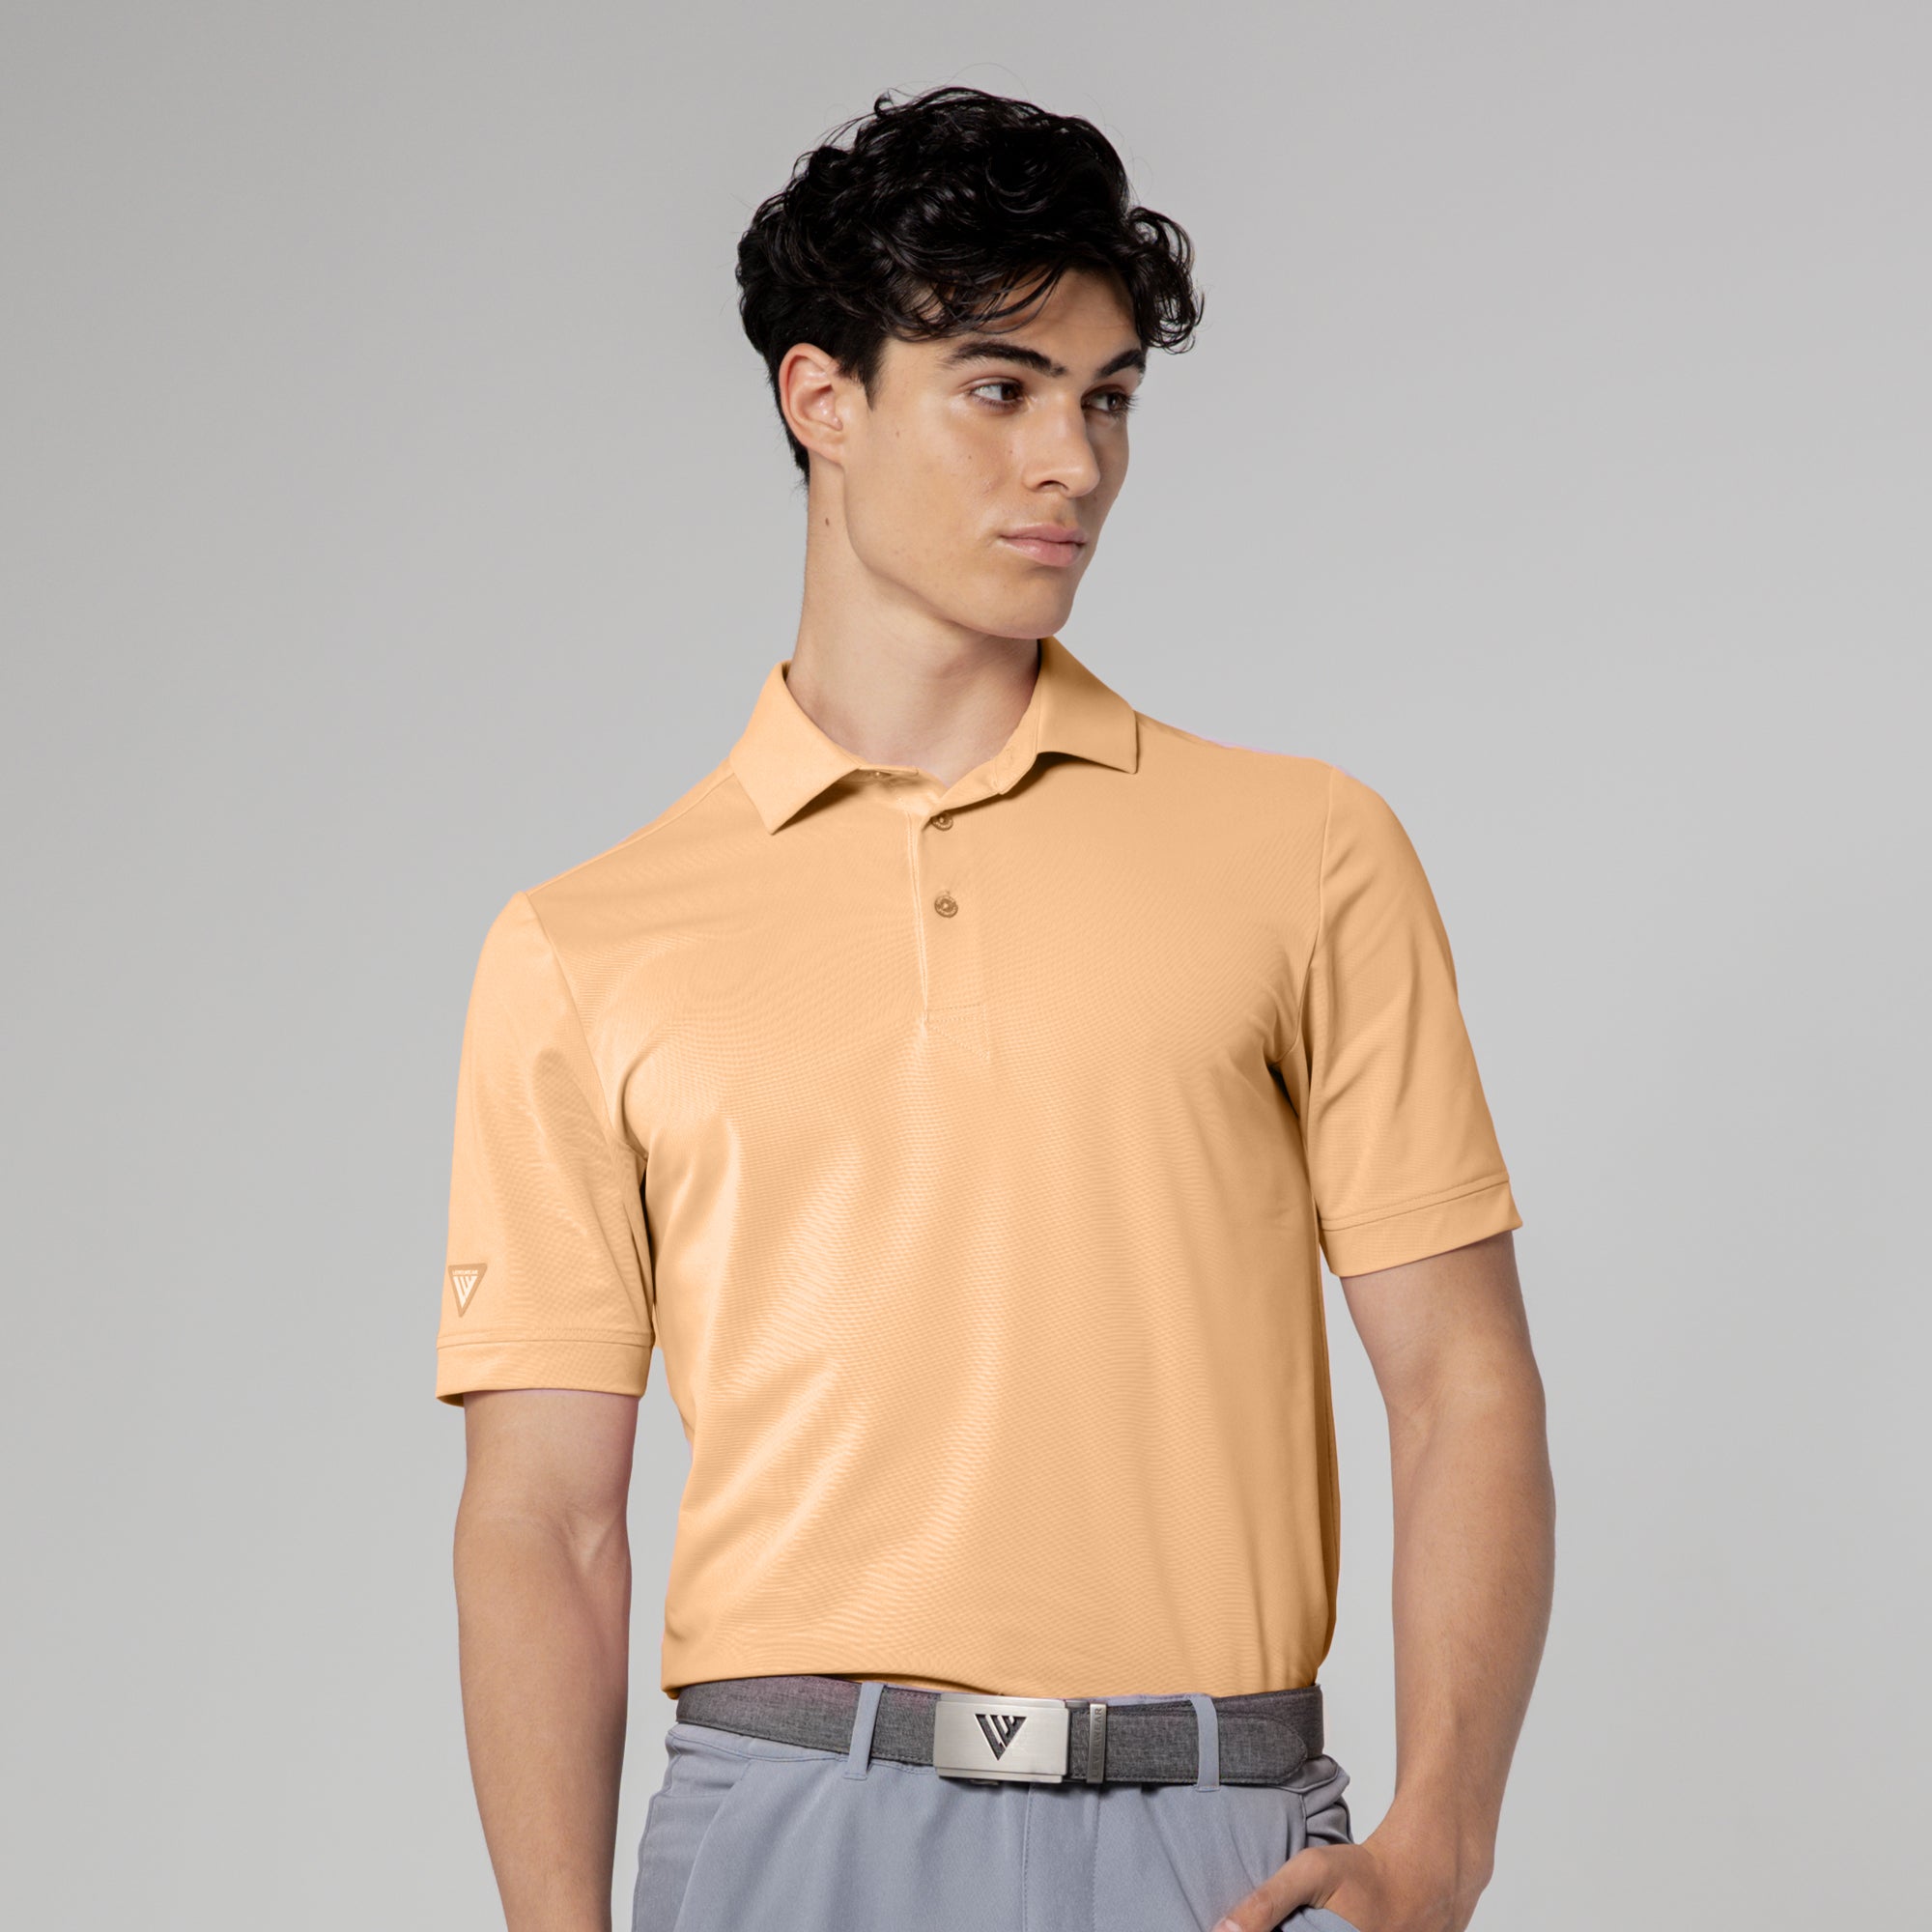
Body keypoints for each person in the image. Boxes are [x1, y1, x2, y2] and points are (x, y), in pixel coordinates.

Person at [437, 83, 1554, 1932]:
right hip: (795, 1831)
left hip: (1218, 1834)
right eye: (1000, 388)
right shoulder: (586, 945)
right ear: (823, 399)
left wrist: (1442, 1837)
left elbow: (1461, 1382)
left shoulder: (1307, 852)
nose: (1075, 464)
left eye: (1106, 398)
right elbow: (543, 1520)